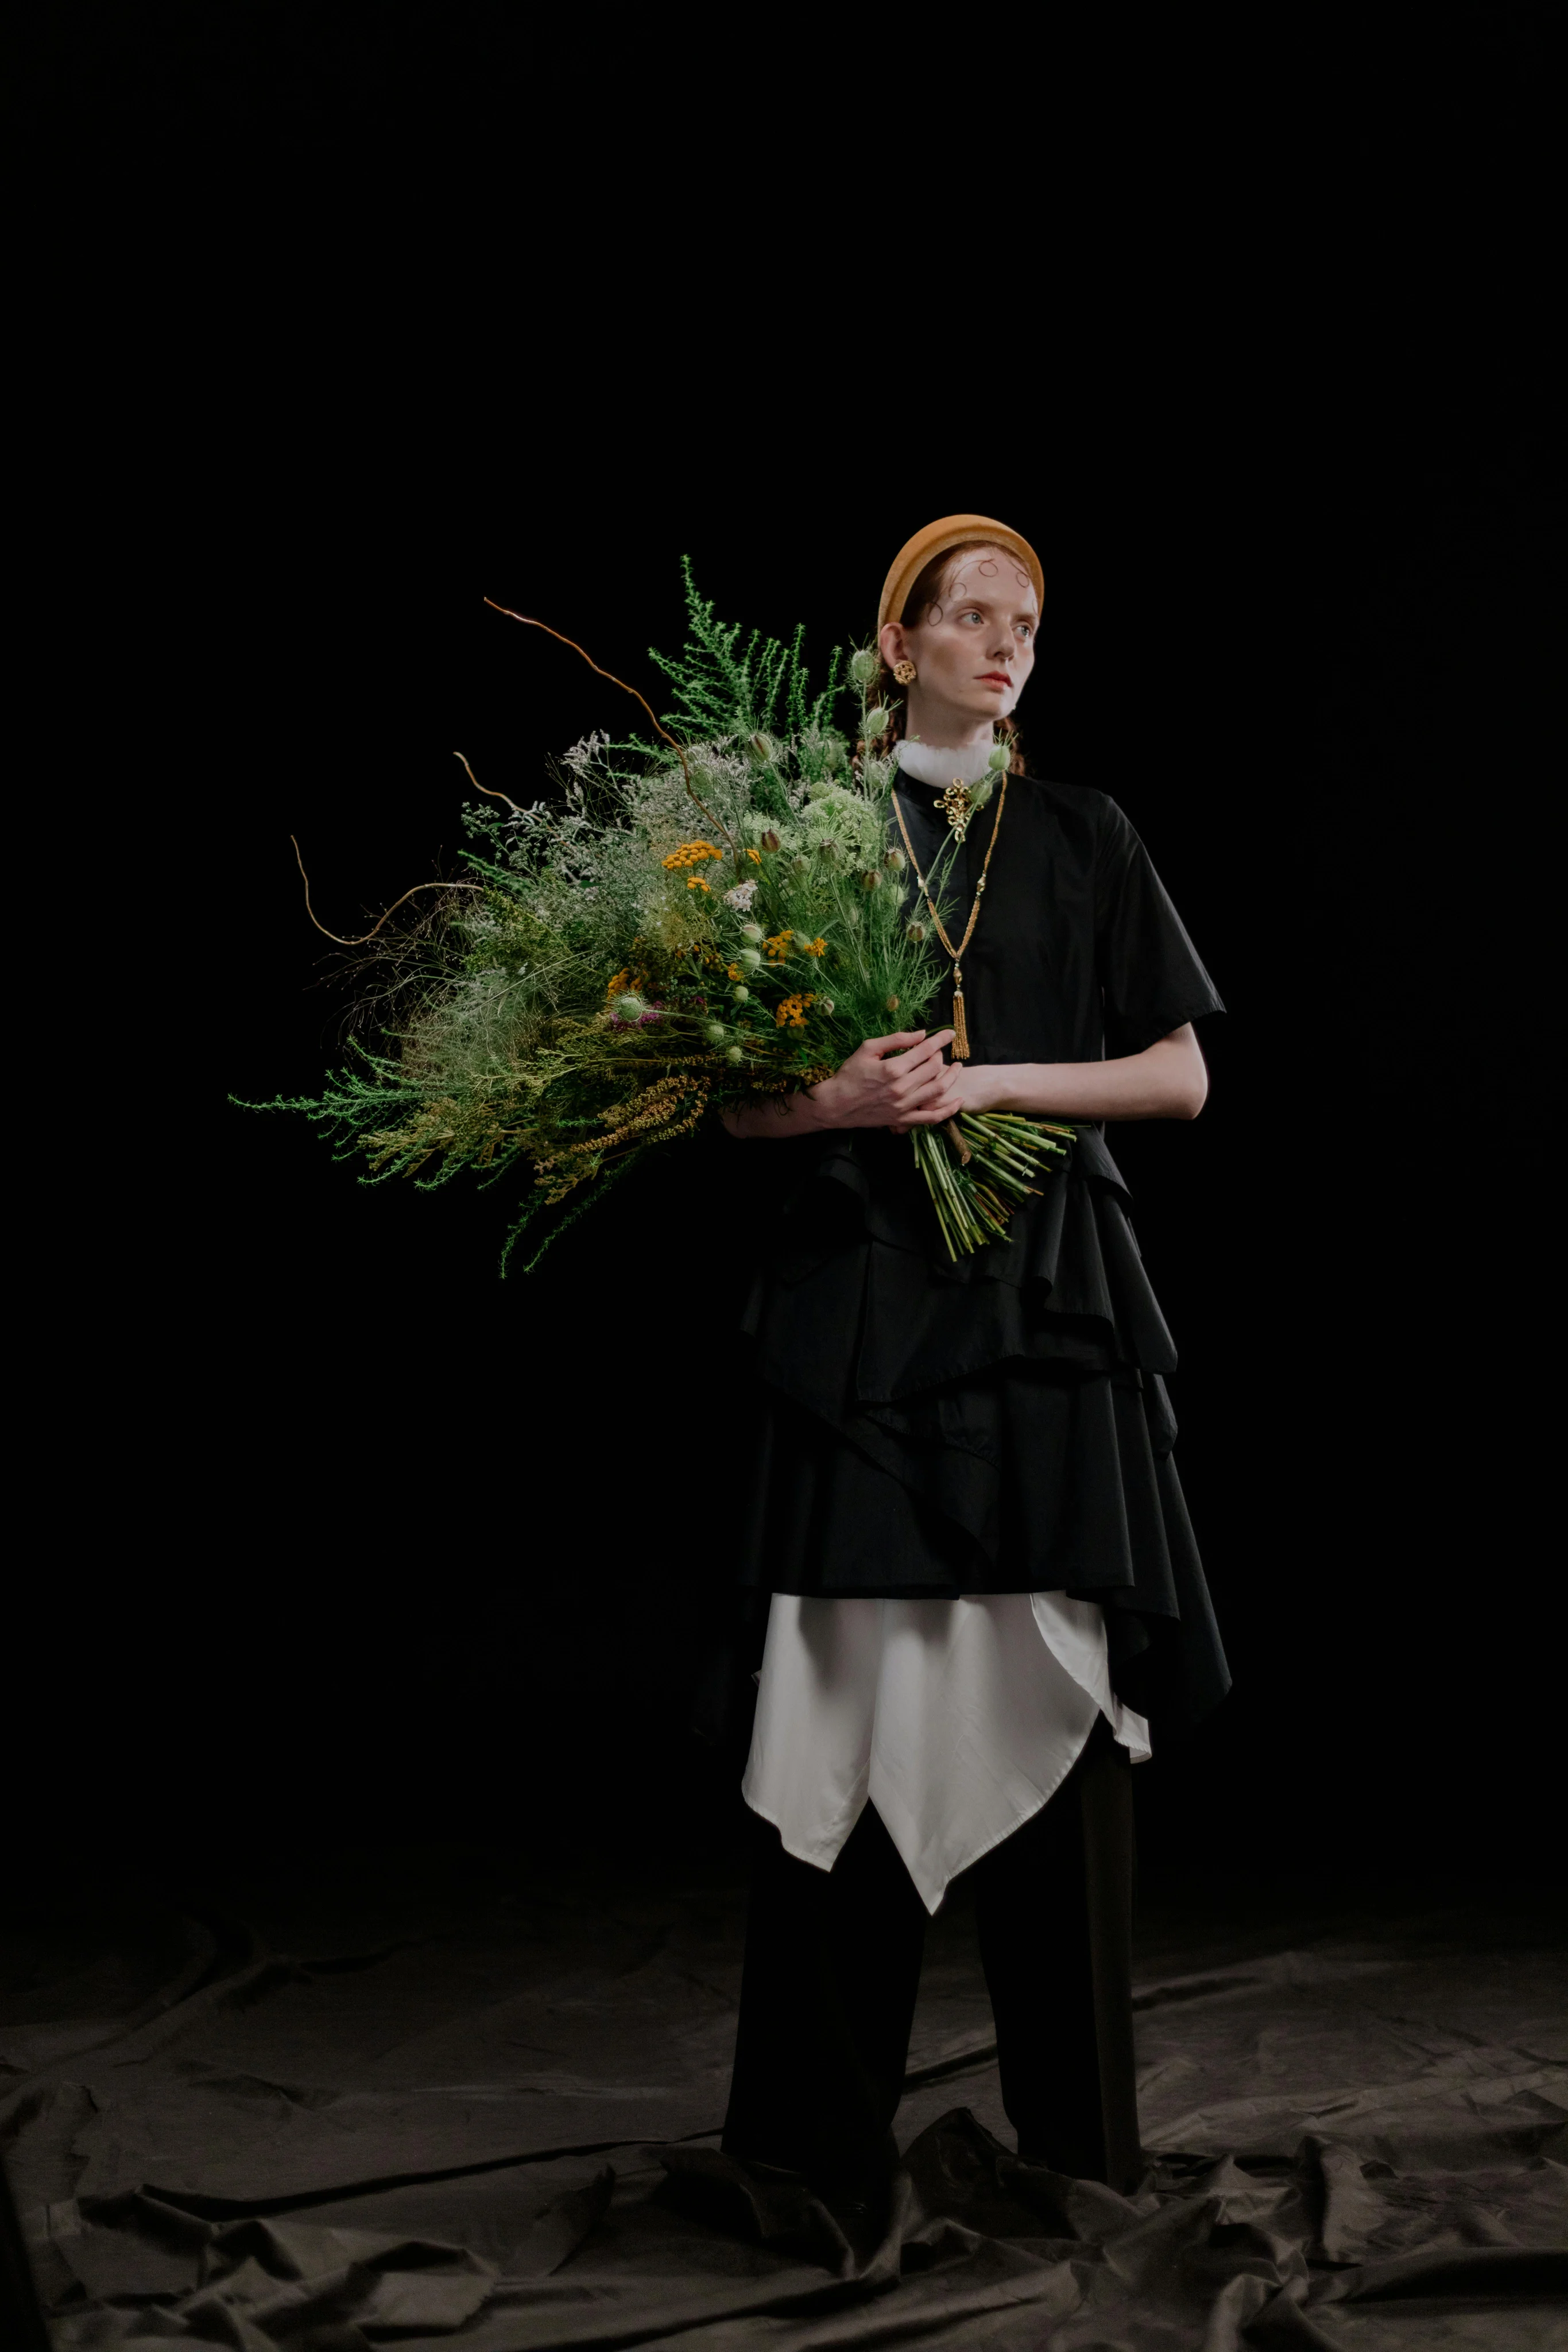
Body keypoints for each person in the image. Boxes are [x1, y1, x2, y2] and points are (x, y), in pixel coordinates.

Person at [715, 516, 1229, 2221]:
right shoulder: (807, 835)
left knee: (1064, 1718)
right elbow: (721, 1102)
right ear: (898, 640)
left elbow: (1177, 1079)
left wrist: (994, 1087)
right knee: (850, 1705)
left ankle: (1083, 2150)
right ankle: (811, 2151)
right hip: (859, 1318)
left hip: (1047, 1309)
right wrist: (847, 1105)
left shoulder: (1085, 832)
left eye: (1024, 624)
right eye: (969, 619)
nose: (1003, 645)